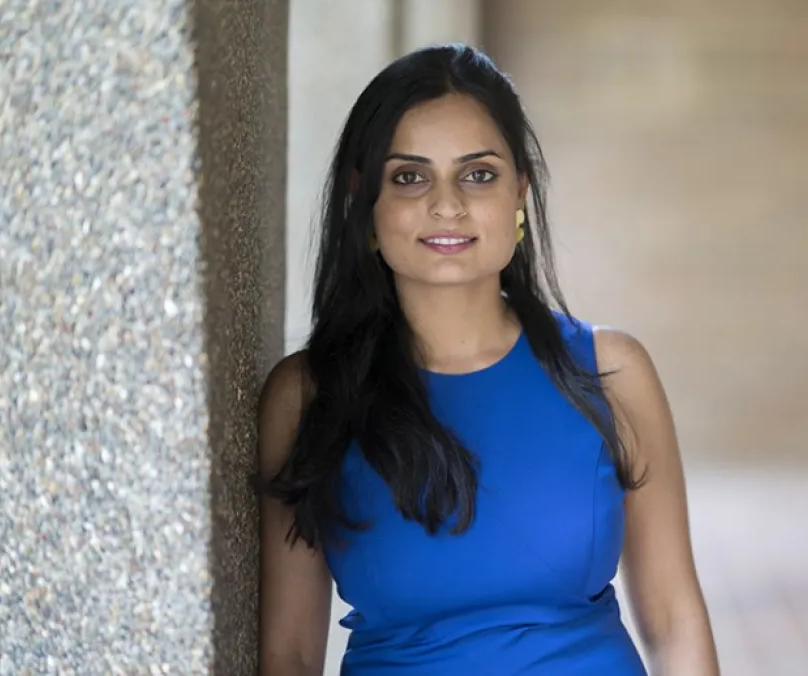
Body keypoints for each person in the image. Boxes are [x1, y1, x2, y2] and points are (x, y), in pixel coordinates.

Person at [256, 43, 718, 676]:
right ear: (365, 199)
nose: (447, 206)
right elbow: (291, 653)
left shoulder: (610, 374)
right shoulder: (308, 397)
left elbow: (674, 618)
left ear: (519, 191)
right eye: (410, 177)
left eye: (478, 174)